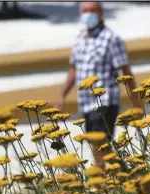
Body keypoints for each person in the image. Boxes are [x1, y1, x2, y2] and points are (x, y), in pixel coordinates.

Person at [56, 2, 141, 167]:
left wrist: (135, 100)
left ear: (101, 13)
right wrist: (62, 95)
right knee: (97, 146)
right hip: (85, 102)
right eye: (85, 11)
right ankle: (126, 176)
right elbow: (74, 69)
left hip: (105, 100)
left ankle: (102, 181)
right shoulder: (80, 38)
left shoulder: (111, 38)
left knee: (100, 144)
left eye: (92, 10)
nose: (88, 14)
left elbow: (125, 69)